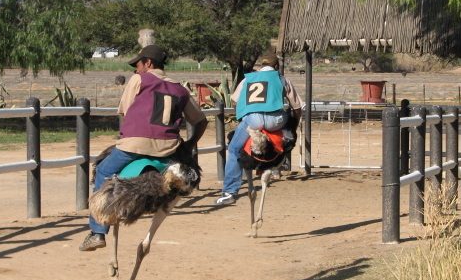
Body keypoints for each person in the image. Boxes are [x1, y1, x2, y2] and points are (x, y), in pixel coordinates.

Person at [79, 44, 208, 251]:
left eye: (137, 65)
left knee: (103, 170)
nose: (135, 69)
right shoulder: (181, 89)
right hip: (168, 148)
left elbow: (125, 111)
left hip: (134, 144)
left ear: (148, 63)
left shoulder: (140, 79)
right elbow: (201, 121)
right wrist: (191, 144)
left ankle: (97, 231)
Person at [216, 53, 302, 205]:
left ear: (261, 66)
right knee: (288, 128)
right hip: (276, 120)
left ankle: (229, 191)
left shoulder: (248, 78)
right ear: (276, 67)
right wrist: (293, 126)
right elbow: (297, 107)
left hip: (253, 120)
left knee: (234, 149)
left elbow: (235, 101)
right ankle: (281, 159)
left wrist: (243, 117)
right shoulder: (281, 79)